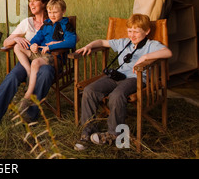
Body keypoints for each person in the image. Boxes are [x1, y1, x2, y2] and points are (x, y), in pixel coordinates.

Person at [74, 13, 172, 150]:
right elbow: (102, 42)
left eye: (136, 32)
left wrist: (146, 57)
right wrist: (88, 46)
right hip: (117, 76)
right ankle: (87, 131)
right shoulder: (124, 42)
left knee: (116, 95)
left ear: (147, 31)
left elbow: (167, 52)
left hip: (135, 79)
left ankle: (114, 134)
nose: (132, 35)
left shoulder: (151, 45)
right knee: (90, 90)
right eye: (130, 31)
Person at [0, 0, 55, 139]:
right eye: (30, 1)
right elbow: (6, 42)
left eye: (35, 1)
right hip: (27, 60)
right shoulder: (27, 22)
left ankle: (29, 115)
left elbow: (68, 37)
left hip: (45, 60)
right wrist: (16, 39)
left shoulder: (53, 20)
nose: (31, 4)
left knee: (45, 73)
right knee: (12, 77)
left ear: (44, 4)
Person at [14, 0, 77, 112]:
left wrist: (51, 46)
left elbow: (72, 41)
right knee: (17, 46)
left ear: (63, 11)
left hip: (54, 57)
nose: (52, 15)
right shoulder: (46, 24)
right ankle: (29, 72)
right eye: (50, 12)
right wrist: (33, 45)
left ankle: (28, 95)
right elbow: (36, 38)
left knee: (36, 62)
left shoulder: (66, 25)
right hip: (40, 53)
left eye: (55, 12)